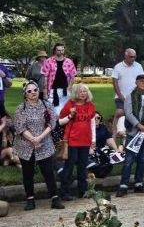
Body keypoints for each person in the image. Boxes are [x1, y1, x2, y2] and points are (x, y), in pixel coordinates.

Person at [14, 81, 64, 210]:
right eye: (29, 91)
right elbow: (20, 126)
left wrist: (40, 138)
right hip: (26, 145)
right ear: (25, 94)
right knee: (28, 173)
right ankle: (30, 199)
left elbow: (52, 124)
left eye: (35, 90)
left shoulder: (47, 105)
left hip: (44, 142)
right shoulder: (21, 108)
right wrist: (33, 140)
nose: (33, 93)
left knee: (48, 172)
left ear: (38, 90)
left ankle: (54, 198)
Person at [118, 74, 144, 195]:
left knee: (143, 159)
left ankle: (138, 184)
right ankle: (123, 186)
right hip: (133, 132)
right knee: (129, 159)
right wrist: (140, 127)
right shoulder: (130, 97)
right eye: (141, 81)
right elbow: (128, 114)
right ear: (136, 83)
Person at [58, 83, 96, 198]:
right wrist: (70, 115)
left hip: (85, 140)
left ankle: (83, 191)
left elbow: (92, 123)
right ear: (76, 93)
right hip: (72, 140)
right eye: (80, 91)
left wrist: (93, 139)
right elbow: (60, 122)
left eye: (85, 91)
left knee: (82, 167)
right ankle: (64, 192)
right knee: (69, 166)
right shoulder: (70, 104)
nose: (83, 93)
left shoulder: (90, 105)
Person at [111, 48, 144, 133]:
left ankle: (128, 135)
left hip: (135, 97)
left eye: (134, 57)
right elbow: (114, 83)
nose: (133, 58)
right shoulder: (118, 67)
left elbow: (142, 80)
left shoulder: (138, 66)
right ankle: (114, 136)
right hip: (121, 97)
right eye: (131, 56)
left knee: (135, 117)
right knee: (119, 113)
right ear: (126, 56)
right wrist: (120, 96)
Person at [41, 43, 77, 115]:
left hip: (65, 90)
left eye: (62, 50)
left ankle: (63, 125)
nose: (61, 52)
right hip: (52, 91)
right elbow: (45, 77)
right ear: (55, 51)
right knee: (54, 113)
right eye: (59, 50)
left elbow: (73, 75)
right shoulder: (48, 61)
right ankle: (54, 125)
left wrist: (69, 87)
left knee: (66, 111)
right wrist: (45, 92)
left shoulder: (69, 61)